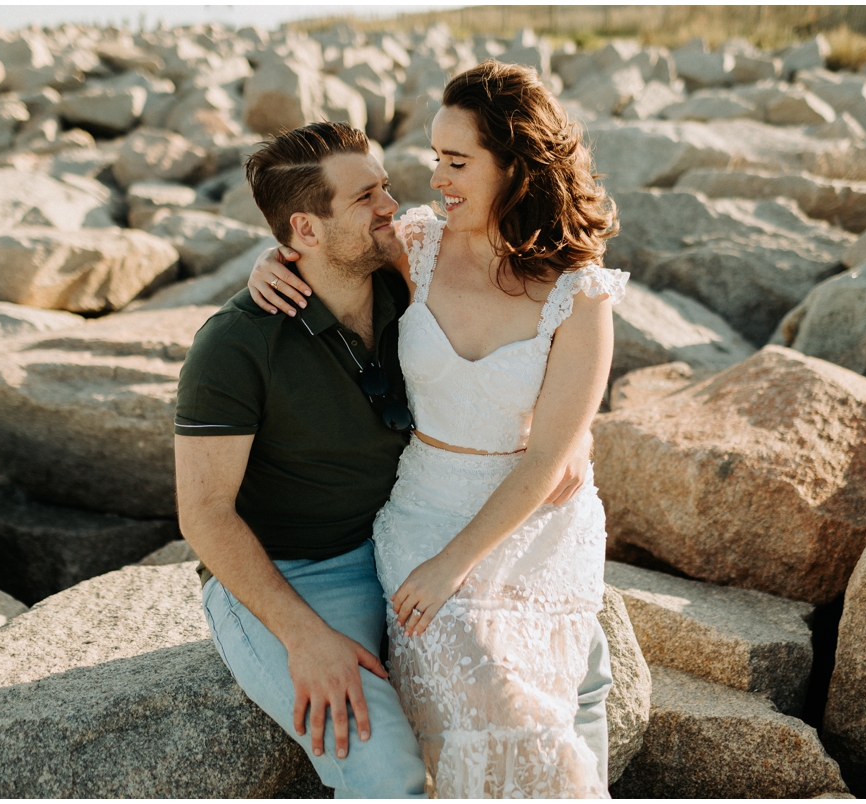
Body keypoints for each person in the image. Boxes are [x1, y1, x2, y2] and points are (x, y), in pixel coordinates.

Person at [174, 119, 611, 798]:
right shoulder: (235, 344)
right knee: (384, 774)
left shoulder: (407, 281)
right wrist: (302, 637)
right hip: (300, 572)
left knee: (580, 659)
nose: (394, 206)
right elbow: (202, 515)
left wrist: (570, 435)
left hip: (403, 532)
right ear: (306, 231)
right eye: (365, 198)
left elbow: (527, 354)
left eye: (385, 187)